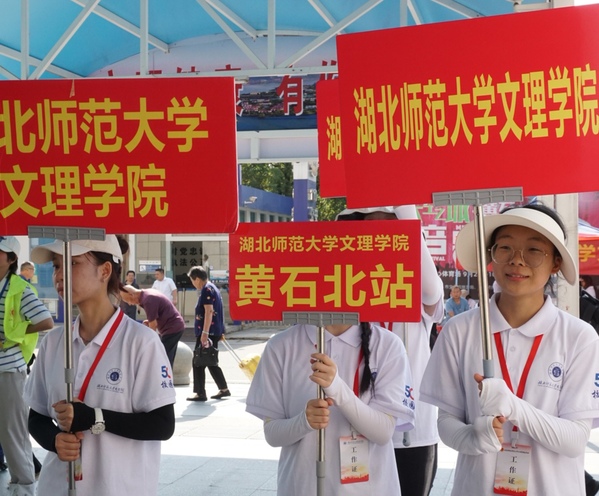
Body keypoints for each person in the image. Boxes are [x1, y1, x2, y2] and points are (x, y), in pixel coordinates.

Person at [420, 203, 599, 495]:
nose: (517, 260)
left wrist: (512, 406)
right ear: (490, 256)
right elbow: (446, 421)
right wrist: (470, 437)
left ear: (555, 263)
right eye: (505, 248)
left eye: (534, 250)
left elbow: (575, 440)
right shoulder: (459, 330)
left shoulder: (579, 337)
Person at [25, 235, 176, 496]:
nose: (59, 275)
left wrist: (95, 417)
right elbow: (37, 416)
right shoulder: (53, 342)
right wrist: (55, 440)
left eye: (72, 263)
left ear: (105, 271)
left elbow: (162, 424)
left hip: (120, 489)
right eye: (57, 266)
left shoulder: (142, 342)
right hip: (56, 487)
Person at [336, 205, 444, 496]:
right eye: (369, 229)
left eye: (391, 229)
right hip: (355, 428)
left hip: (413, 434)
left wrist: (399, 198)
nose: (380, 237)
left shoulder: (420, 289)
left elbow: (431, 291)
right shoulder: (345, 286)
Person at [246, 319, 415, 495]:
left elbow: (383, 432)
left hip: (370, 489)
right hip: (303, 487)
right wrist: (303, 422)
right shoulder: (281, 345)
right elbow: (272, 434)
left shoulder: (387, 344)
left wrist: (337, 389)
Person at [0, 236, 53, 496]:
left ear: (10, 259)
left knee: (12, 432)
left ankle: (23, 486)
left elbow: (46, 321)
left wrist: (13, 333)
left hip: (8, 369)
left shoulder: (19, 288)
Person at [186, 265, 230, 401]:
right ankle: (223, 389)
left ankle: (200, 393)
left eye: (192, 281)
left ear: (197, 279)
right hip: (213, 330)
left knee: (198, 361)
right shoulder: (213, 288)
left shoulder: (206, 290)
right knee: (209, 360)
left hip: (207, 331)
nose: (193, 284)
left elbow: (209, 311)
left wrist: (205, 333)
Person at [119, 285, 185, 368]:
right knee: (166, 357)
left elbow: (153, 325)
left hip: (172, 328)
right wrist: (150, 321)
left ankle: (164, 375)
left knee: (162, 357)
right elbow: (157, 315)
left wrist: (150, 342)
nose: (130, 303)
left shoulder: (148, 299)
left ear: (131, 294)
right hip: (174, 326)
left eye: (128, 300)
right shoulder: (146, 294)